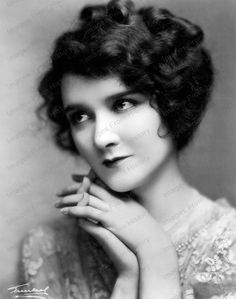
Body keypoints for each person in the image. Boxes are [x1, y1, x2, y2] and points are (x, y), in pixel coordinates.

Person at [19, 0, 236, 298]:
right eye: (80, 116)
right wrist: (129, 276)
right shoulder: (47, 247)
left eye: (123, 104)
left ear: (172, 103)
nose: (100, 137)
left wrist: (156, 255)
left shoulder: (229, 247)